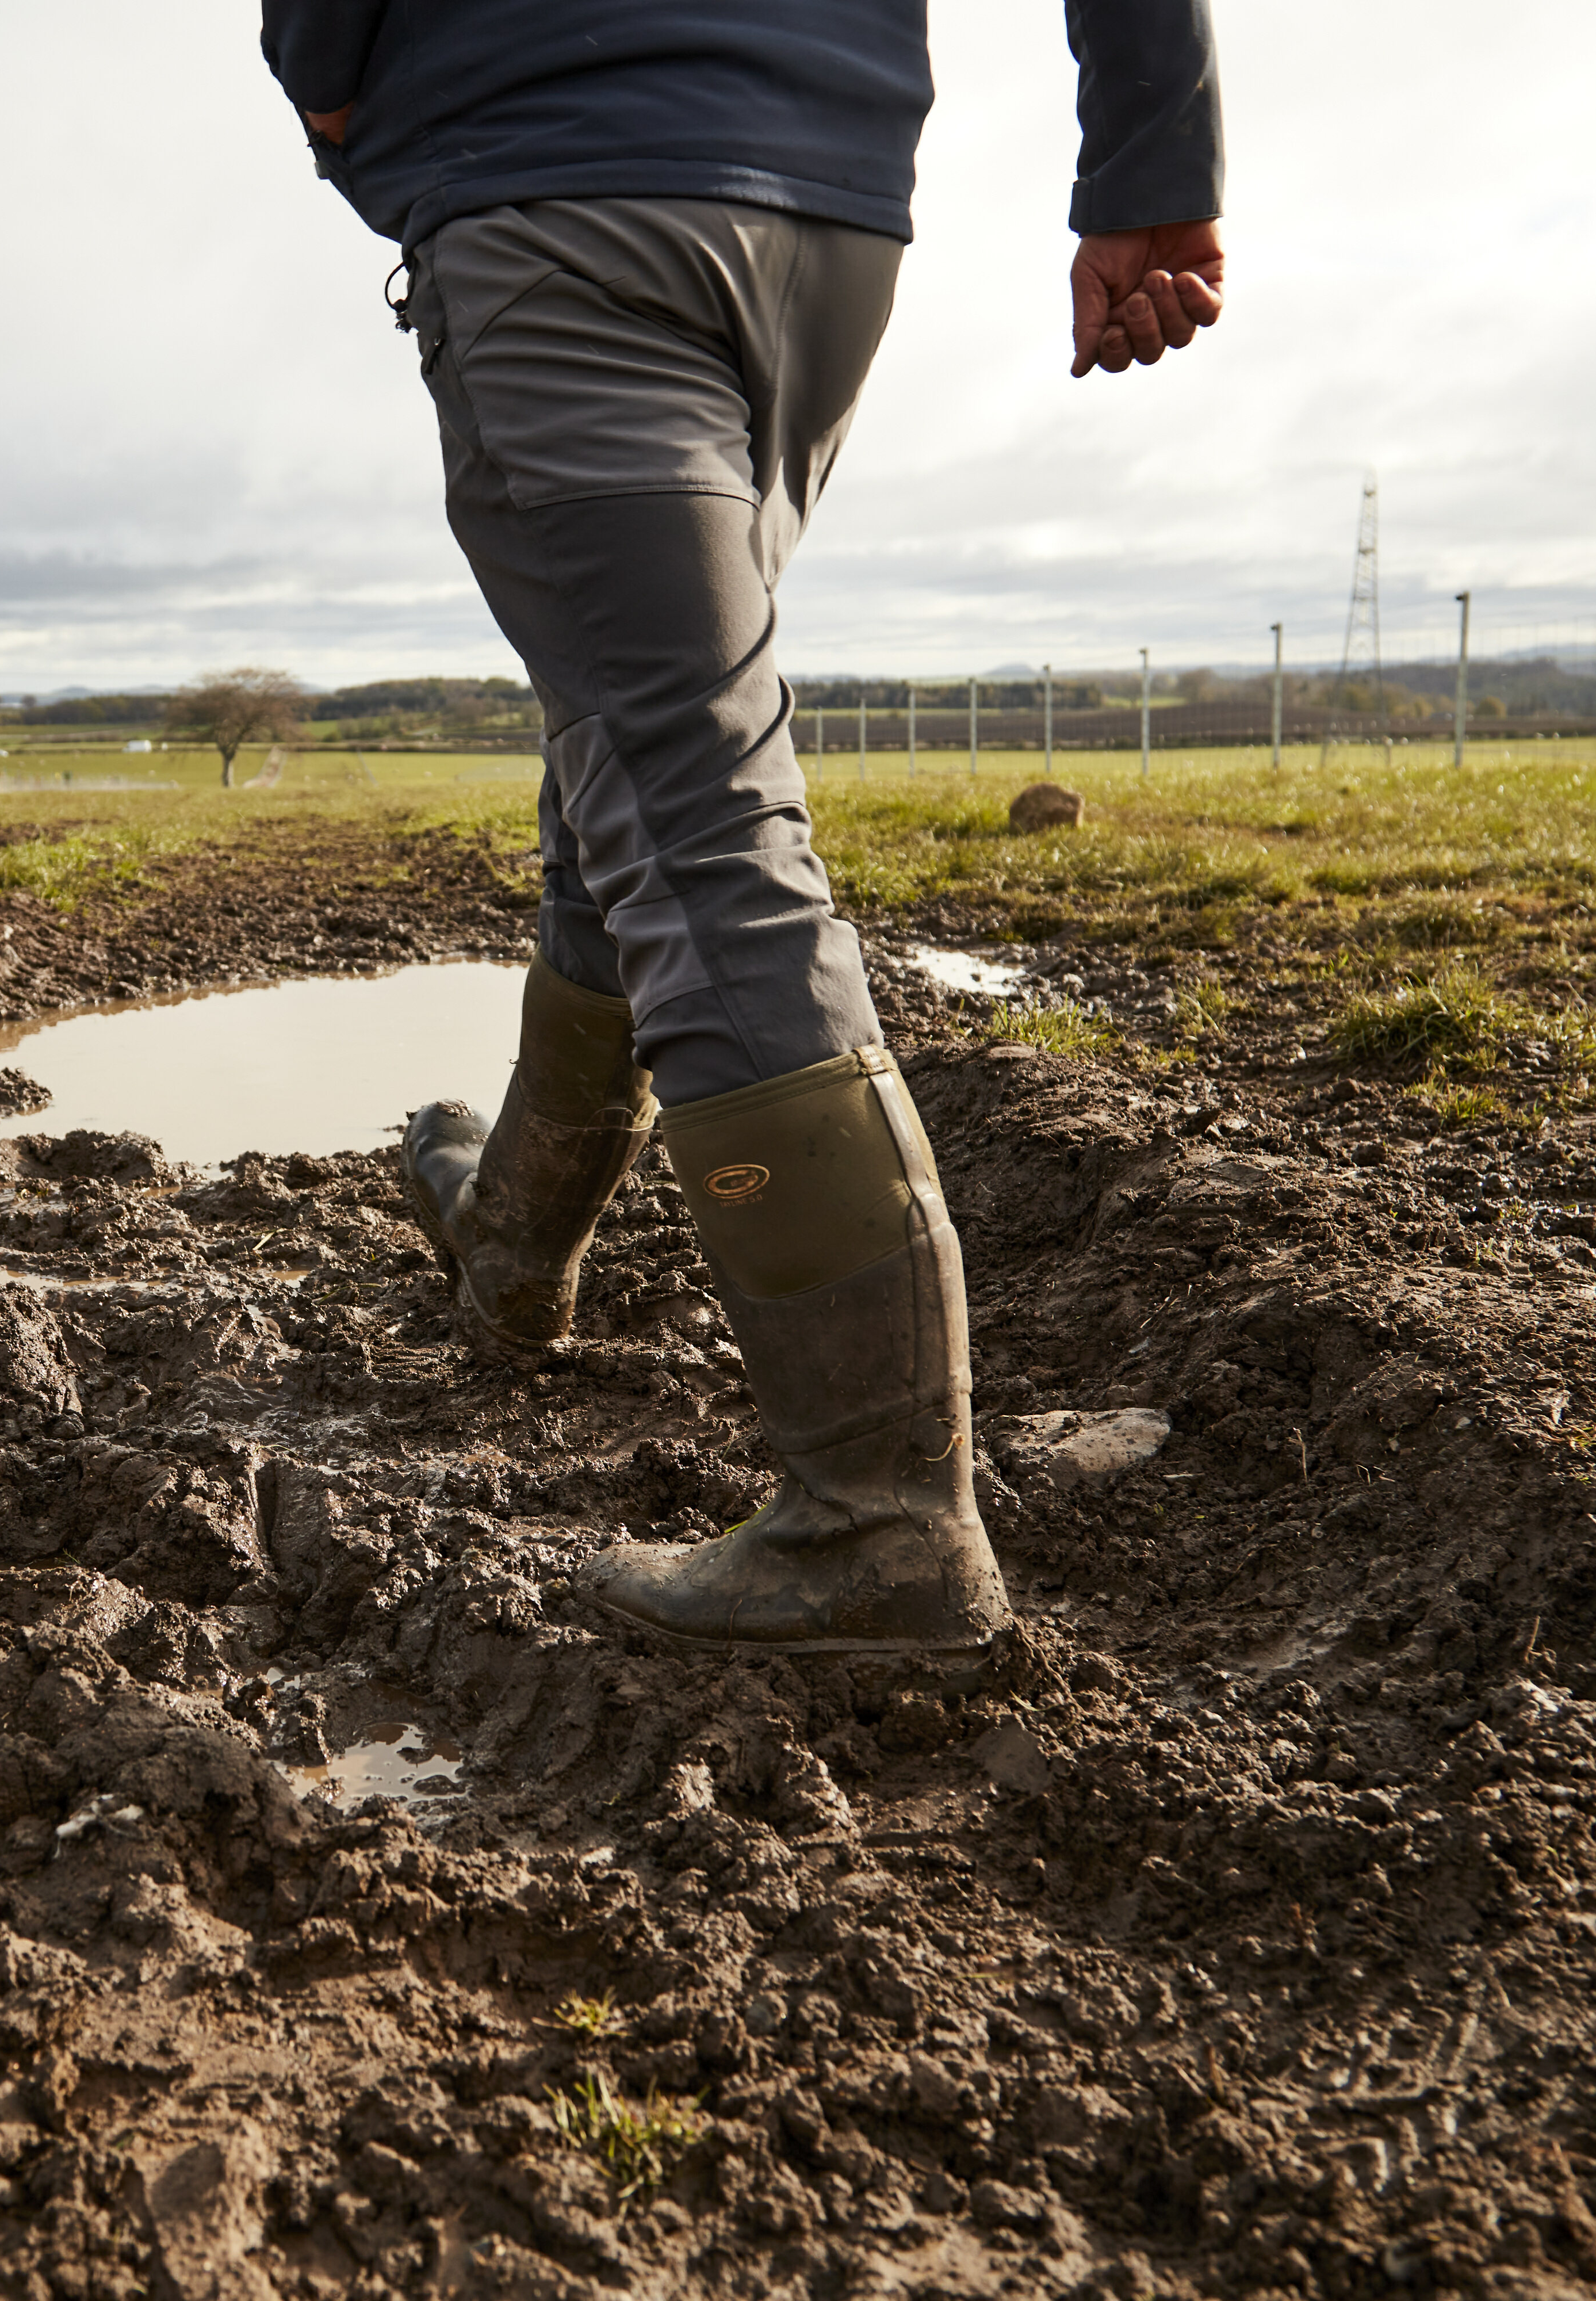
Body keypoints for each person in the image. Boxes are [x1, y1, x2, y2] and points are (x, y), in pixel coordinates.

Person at [262, 0, 1224, 1652]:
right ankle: (513, 1250)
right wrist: (1151, 160)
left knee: (693, 816)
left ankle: (884, 1522)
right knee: (629, 749)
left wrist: (329, 78)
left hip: (564, 192)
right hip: (823, 220)